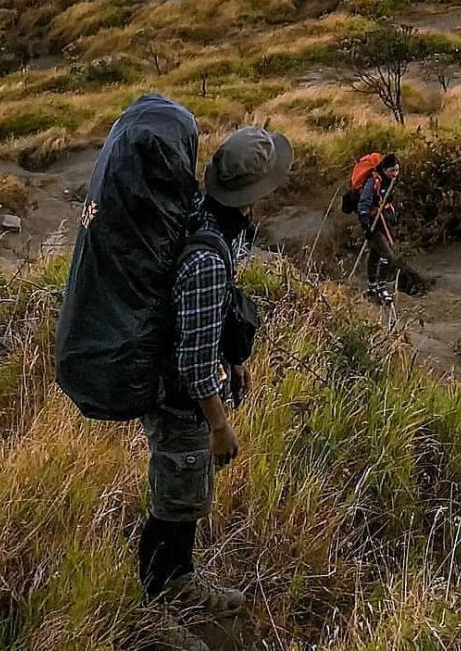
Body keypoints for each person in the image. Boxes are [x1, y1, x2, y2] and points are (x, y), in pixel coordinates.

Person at [138, 126, 293, 645]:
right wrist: (219, 425)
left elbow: (205, 327)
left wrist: (237, 359)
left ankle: (176, 581)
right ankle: (159, 606)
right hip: (181, 404)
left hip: (179, 399)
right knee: (174, 502)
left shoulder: (205, 221)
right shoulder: (207, 258)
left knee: (181, 496)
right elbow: (193, 361)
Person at [358, 153, 402, 304]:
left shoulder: (390, 180)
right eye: (392, 171)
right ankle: (381, 287)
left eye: (397, 170)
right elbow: (363, 204)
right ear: (384, 169)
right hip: (374, 224)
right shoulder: (373, 182)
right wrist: (366, 226)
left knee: (375, 254)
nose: (395, 174)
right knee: (388, 256)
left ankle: (371, 286)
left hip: (385, 222)